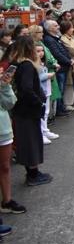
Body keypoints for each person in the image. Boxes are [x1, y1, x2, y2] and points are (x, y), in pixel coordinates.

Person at [11, 36, 51, 186]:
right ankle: (32, 175)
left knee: (29, 140)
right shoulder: (27, 65)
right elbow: (27, 89)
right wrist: (39, 102)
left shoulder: (18, 63)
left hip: (23, 109)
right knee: (30, 142)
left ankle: (33, 172)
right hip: (27, 110)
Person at [0, 65, 26, 214]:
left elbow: (9, 103)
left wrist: (4, 85)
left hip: (3, 129)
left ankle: (7, 200)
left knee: (5, 167)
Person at [42, 20, 73, 116]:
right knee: (60, 88)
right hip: (60, 67)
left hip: (64, 66)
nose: (58, 27)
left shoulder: (55, 38)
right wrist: (68, 61)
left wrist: (69, 59)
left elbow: (63, 50)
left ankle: (61, 107)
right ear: (50, 28)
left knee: (62, 88)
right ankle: (59, 109)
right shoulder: (49, 39)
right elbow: (56, 54)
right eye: (55, 25)